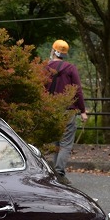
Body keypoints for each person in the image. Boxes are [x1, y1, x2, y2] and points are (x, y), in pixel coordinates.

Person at [45, 39, 87, 183]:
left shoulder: (45, 68)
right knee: (66, 144)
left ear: (53, 50)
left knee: (56, 143)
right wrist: (82, 110)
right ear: (65, 54)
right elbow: (78, 90)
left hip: (51, 110)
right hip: (67, 110)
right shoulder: (70, 68)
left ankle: (54, 174)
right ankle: (59, 174)